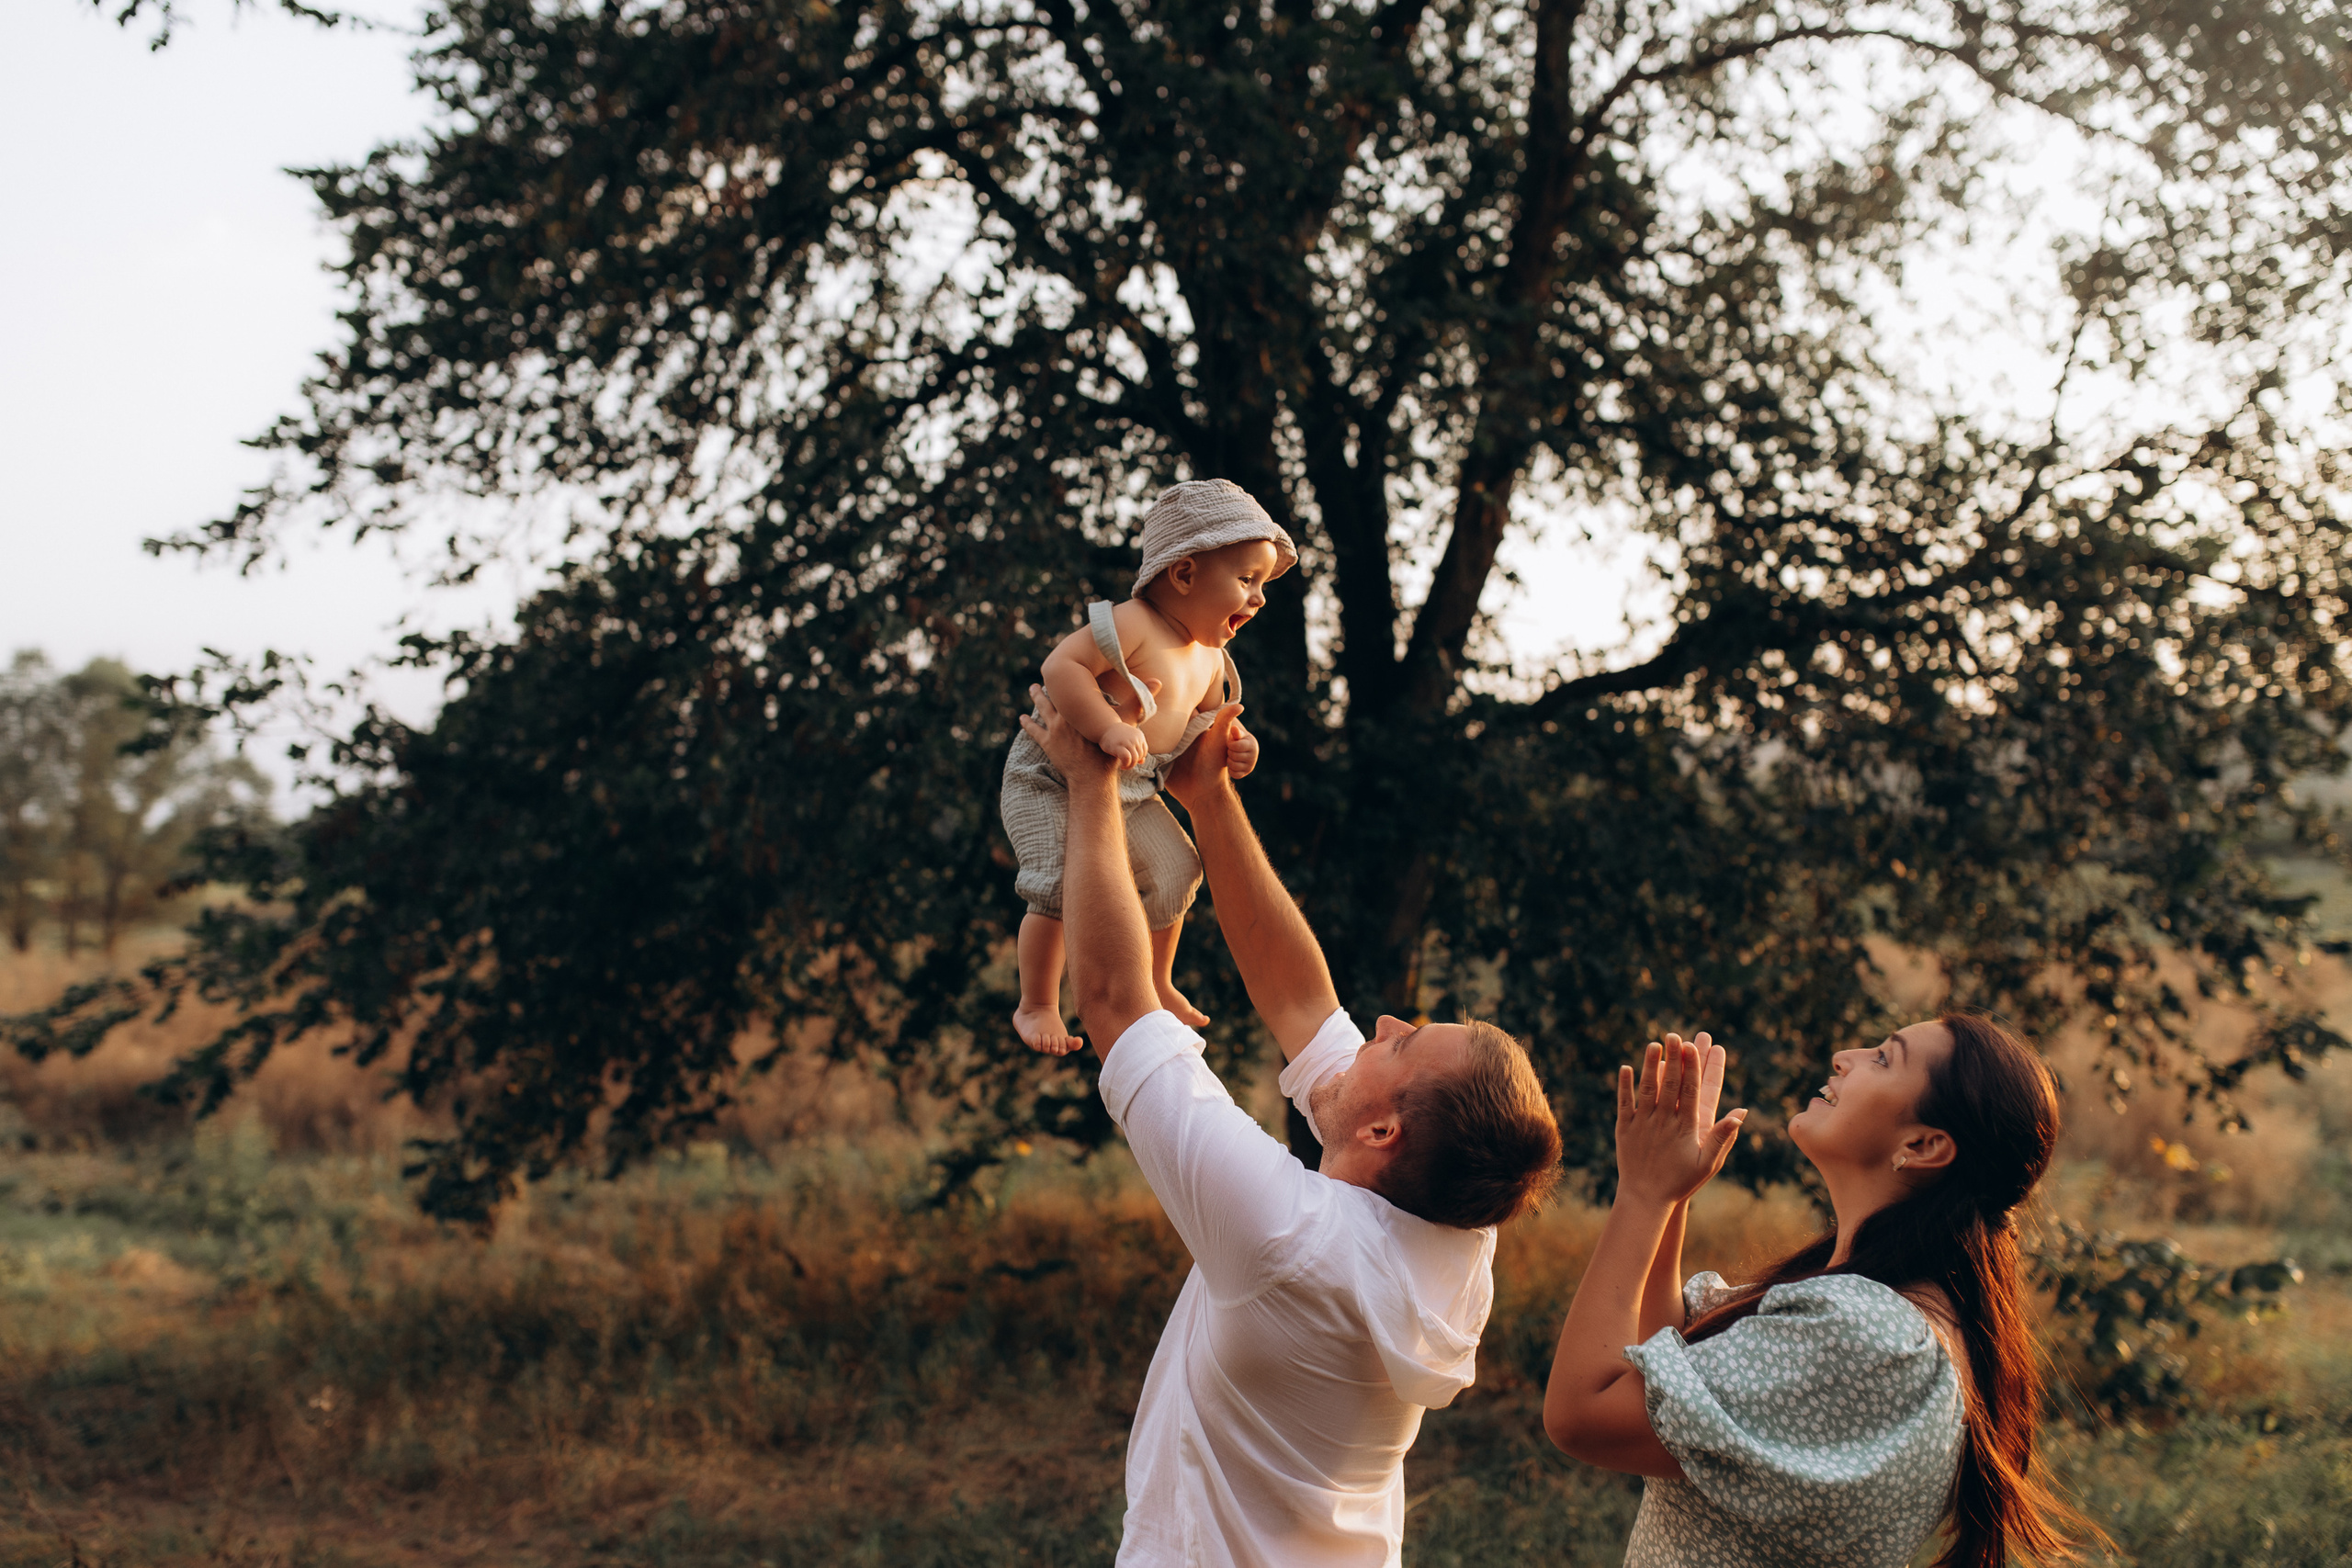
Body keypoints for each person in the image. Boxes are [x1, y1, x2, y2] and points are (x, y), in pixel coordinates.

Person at [1017, 680, 1564, 1568]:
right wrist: (1208, 795)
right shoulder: (1458, 1239)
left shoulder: (1287, 1237)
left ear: (1384, 1131)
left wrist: (1087, 786)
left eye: (1405, 1041)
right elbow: (1303, 998)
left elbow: (1118, 1003)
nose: (1382, 1025)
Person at [1542, 1019, 2096, 1568]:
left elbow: (1582, 1415)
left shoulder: (1868, 1336)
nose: (1843, 1056)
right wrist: (1670, 1193)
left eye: (1883, 1058)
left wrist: (1641, 1194)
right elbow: (1669, 1364)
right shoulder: (1874, 1310)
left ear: (1923, 1145)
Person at [1001, 479, 1297, 1055]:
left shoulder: (1213, 660)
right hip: (1052, 778)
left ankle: (1158, 982)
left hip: (1132, 787)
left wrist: (1239, 745)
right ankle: (1036, 1002)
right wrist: (1107, 725)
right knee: (1061, 885)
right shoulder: (1132, 624)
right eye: (1246, 580)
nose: (1260, 598)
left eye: (1263, 584)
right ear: (1184, 575)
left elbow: (1212, 724)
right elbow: (1061, 666)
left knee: (1177, 872)